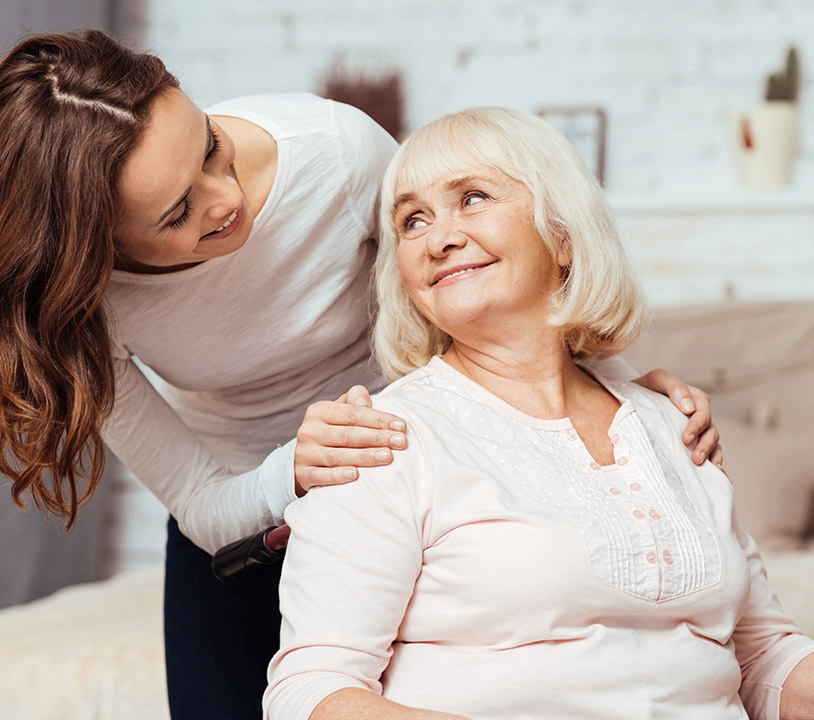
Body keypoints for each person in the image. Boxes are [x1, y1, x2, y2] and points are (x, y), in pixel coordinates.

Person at [0, 31, 719, 719]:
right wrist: (295, 470)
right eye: (179, 211)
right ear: (97, 249)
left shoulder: (335, 152)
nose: (226, 198)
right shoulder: (75, 310)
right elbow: (203, 505)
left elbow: (477, 277)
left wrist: (621, 396)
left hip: (405, 486)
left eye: (211, 147)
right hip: (244, 525)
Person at [265, 107, 814, 720]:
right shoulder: (381, 439)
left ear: (562, 234)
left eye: (472, 198)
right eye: (412, 220)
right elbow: (310, 693)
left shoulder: (669, 423)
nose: (437, 237)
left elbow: (764, 657)